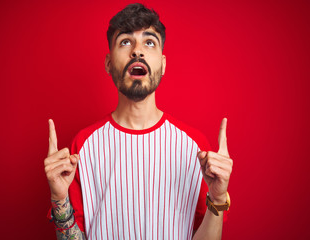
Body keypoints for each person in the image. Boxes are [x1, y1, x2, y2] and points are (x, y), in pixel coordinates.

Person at [44, 3, 233, 240]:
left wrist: (217, 198)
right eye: (125, 42)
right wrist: (59, 199)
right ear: (108, 63)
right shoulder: (81, 147)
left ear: (163, 64)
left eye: (149, 42)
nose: (137, 51)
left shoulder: (195, 148)